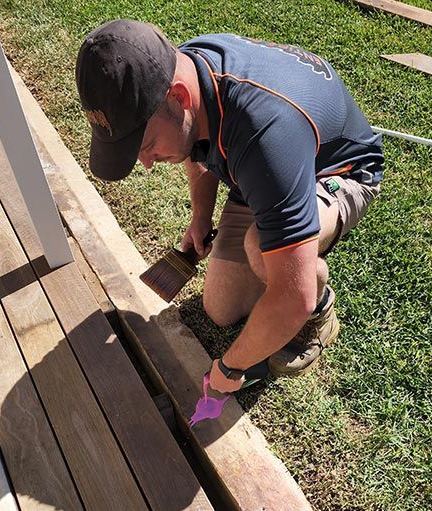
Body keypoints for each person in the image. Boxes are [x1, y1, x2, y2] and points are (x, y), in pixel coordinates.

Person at [76, 20, 383, 393]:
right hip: (257, 174)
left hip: (334, 171)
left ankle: (322, 315)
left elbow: (292, 297)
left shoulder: (266, 132)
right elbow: (194, 142)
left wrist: (232, 367)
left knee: (268, 257)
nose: (147, 163)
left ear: (178, 97)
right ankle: (270, 222)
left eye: (147, 145)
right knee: (220, 309)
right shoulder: (179, 74)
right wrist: (201, 217)